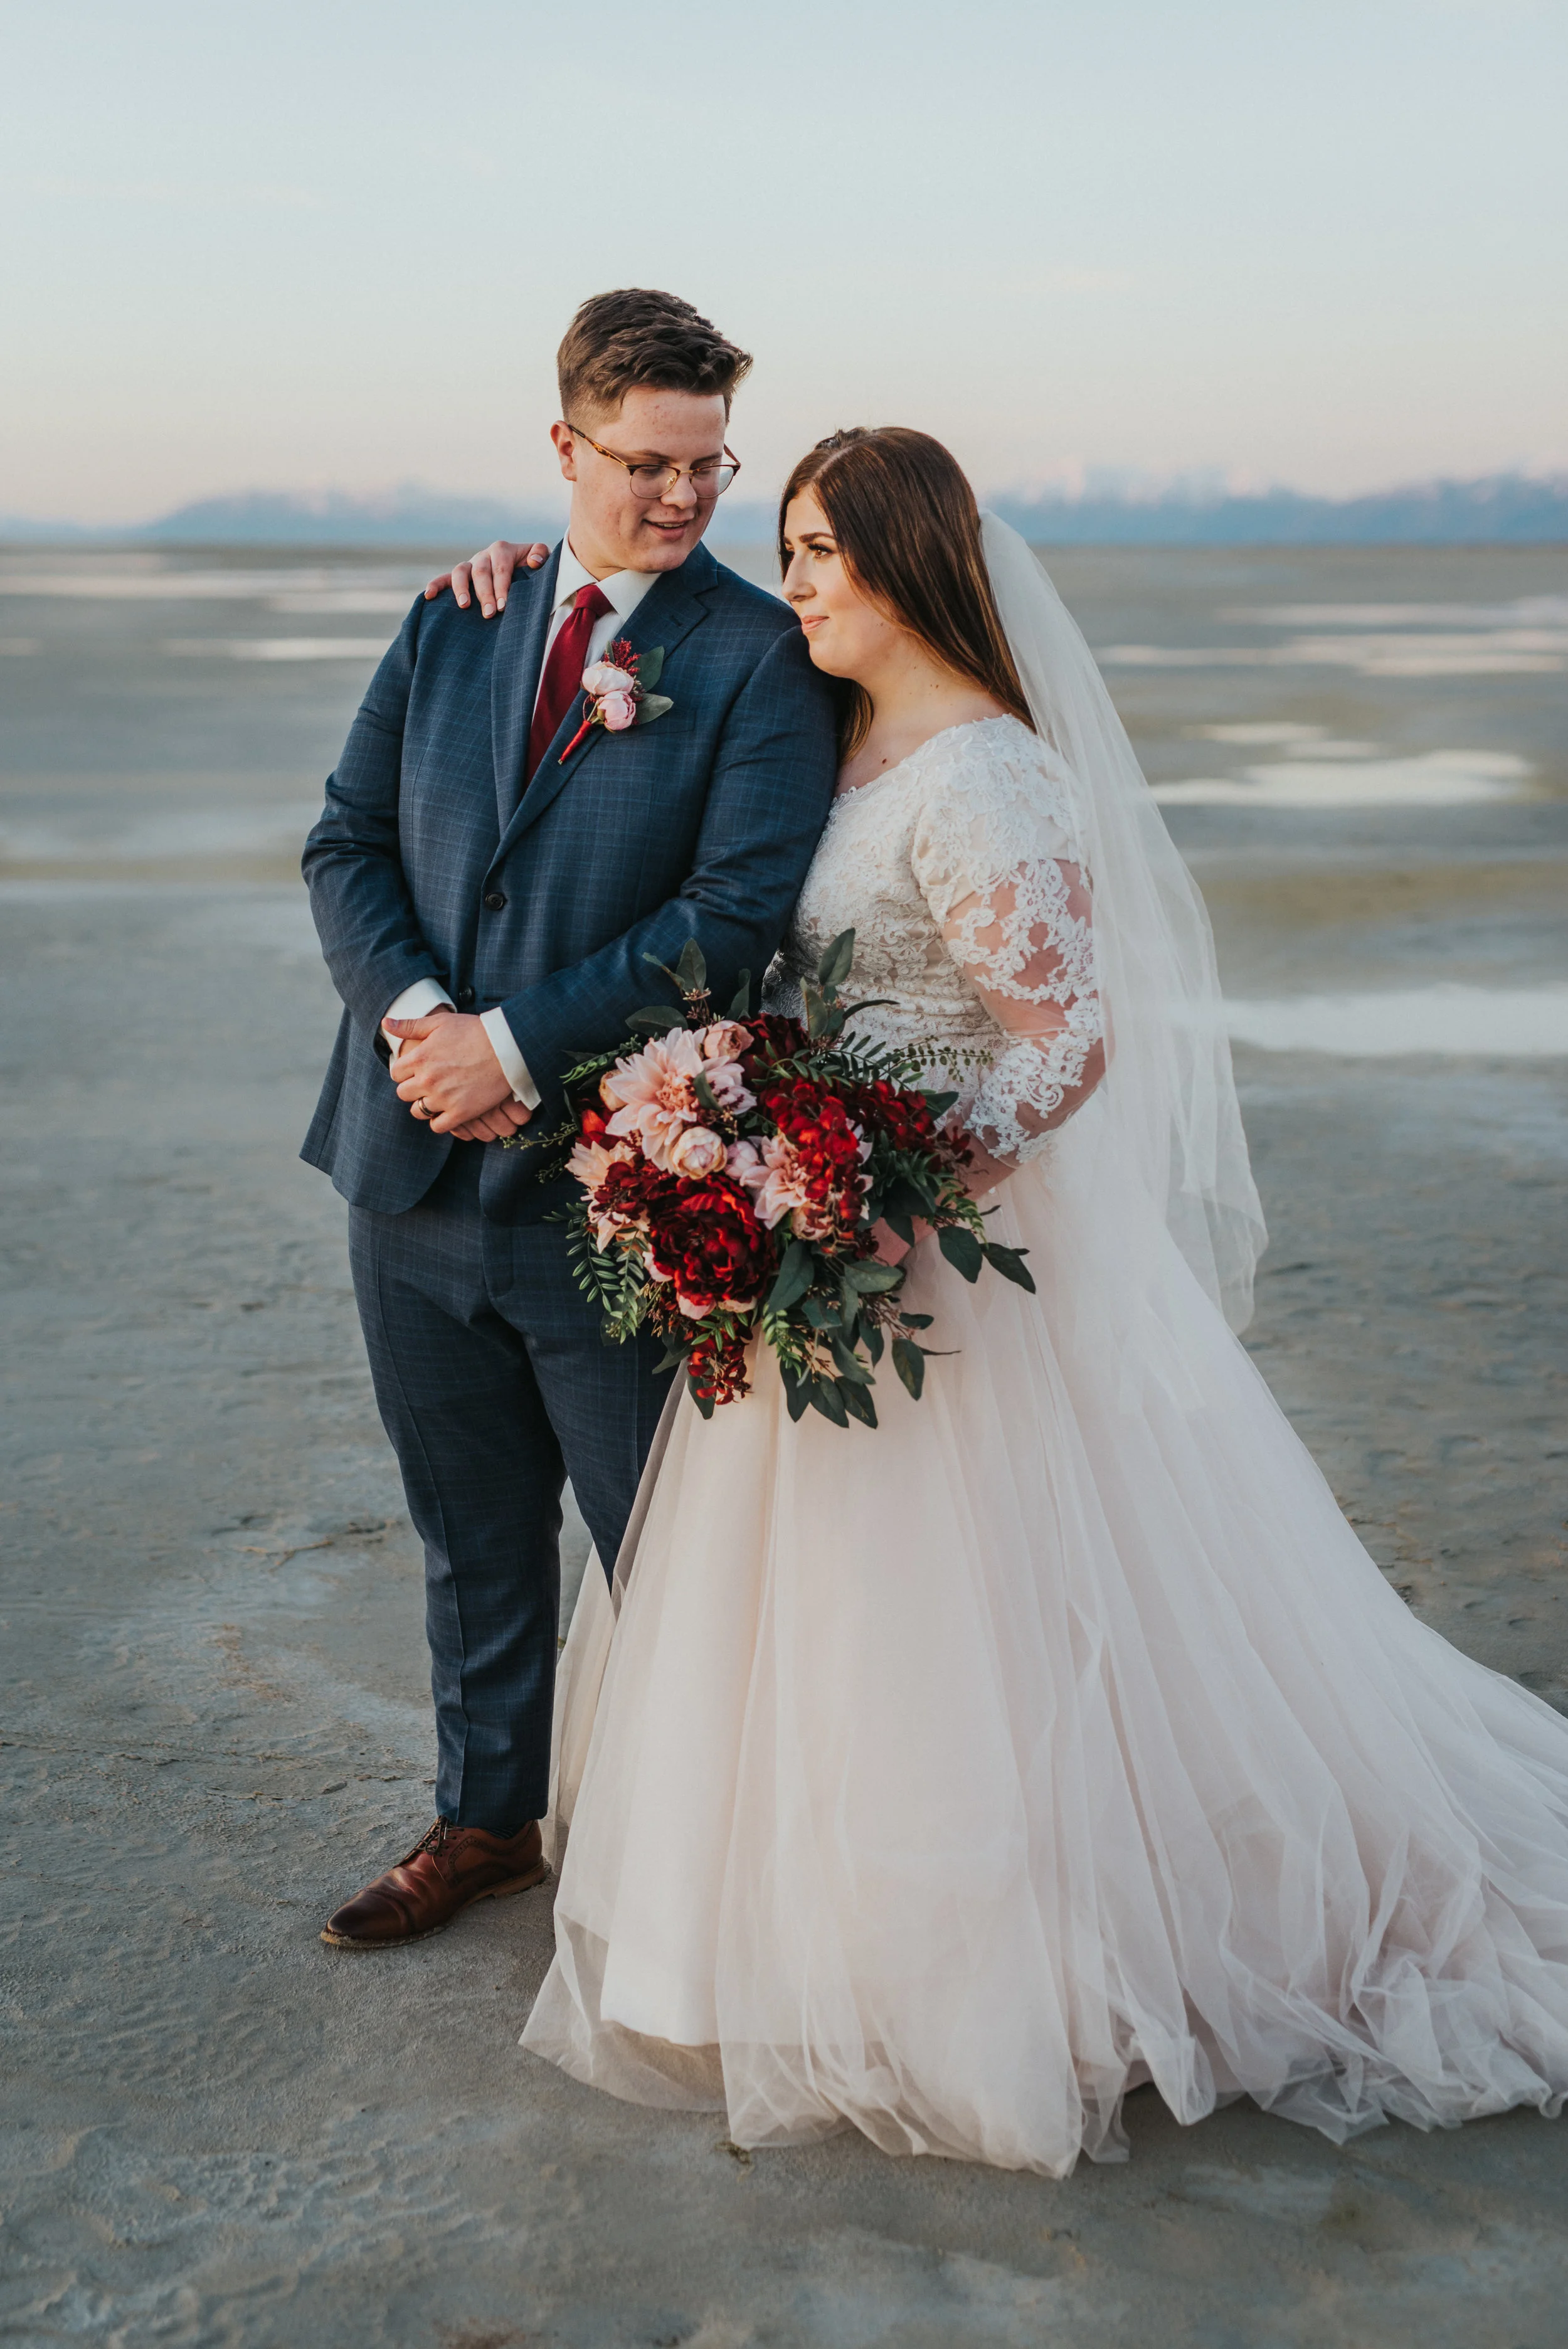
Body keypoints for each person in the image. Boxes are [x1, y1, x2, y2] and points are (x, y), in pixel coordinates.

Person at [469, 428, 1568, 2176]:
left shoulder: (982, 774)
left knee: (962, 1616)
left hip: (930, 1259)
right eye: (792, 547)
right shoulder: (840, 740)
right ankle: (791, 1940)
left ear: (906, 560)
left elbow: (1065, 1043)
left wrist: (866, 1184)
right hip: (820, 1237)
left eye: (822, 548)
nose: (797, 582)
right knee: (826, 1616)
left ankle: (993, 1966)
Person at [299, 291, 839, 1950]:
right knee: (463, 1524)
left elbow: (733, 912)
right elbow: (343, 845)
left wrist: (517, 1050)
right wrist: (420, 1031)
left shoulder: (754, 657)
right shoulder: (451, 620)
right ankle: (484, 1823)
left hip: (616, 1185)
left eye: (709, 464)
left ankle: (720, 1858)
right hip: (403, 1163)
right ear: (566, 445)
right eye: (650, 463)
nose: (683, 497)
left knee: (657, 1542)